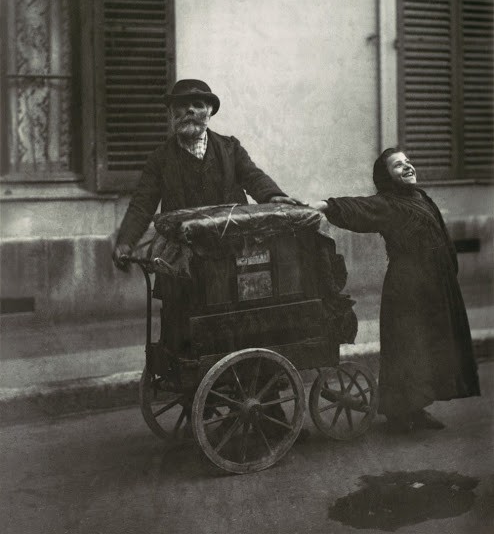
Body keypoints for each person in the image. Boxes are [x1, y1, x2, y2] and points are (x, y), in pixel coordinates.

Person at [311, 147, 480, 432]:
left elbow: (441, 234)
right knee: (407, 348)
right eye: (397, 166)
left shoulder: (422, 198)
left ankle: (418, 408)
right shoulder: (388, 204)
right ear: (386, 177)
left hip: (434, 287)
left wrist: (448, 271)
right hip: (408, 288)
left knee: (427, 346)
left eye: (408, 162)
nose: (407, 167)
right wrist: (326, 205)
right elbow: (359, 207)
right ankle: (399, 415)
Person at [112, 78, 302, 267]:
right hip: (181, 256)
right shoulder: (159, 159)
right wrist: (125, 242)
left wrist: (273, 196)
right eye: (182, 105)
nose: (190, 110)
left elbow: (253, 177)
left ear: (210, 112)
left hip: (230, 250)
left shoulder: (230, 149)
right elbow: (141, 205)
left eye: (198, 105)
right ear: (171, 112)